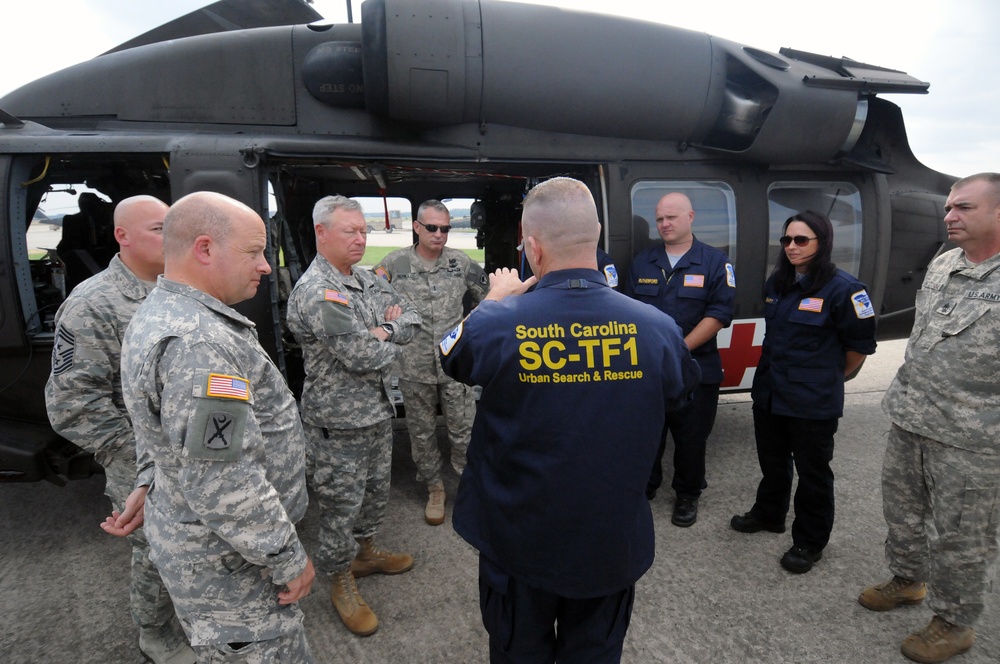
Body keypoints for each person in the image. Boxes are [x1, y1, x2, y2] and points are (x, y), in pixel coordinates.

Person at [440, 177, 700, 663]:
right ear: (596, 234)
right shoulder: (659, 328)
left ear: (531, 247)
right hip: (609, 544)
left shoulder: (498, 323)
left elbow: (450, 354)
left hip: (520, 544)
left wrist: (496, 297)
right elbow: (681, 397)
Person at [116, 192, 315, 662]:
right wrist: (287, 557)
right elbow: (224, 479)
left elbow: (160, 424)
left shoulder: (163, 312)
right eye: (253, 251)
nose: (266, 266)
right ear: (204, 249)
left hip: (214, 543)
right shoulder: (199, 342)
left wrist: (151, 476)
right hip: (229, 562)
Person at [44, 195, 196, 664]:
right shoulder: (94, 304)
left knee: (194, 546)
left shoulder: (184, 289)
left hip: (195, 452)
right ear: (122, 237)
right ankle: (156, 635)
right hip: (141, 459)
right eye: (157, 229)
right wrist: (134, 456)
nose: (169, 238)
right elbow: (71, 402)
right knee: (156, 553)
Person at [858, 173, 1000, 664]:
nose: (949, 217)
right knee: (903, 514)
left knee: (962, 535)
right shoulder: (943, 264)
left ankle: (954, 622)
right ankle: (907, 580)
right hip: (911, 418)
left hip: (972, 438)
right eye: (947, 208)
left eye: (963, 208)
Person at [286, 195, 420, 637]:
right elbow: (361, 355)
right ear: (321, 233)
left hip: (378, 412)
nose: (361, 239)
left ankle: (366, 553)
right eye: (350, 231)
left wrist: (387, 328)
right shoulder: (316, 291)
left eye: (364, 231)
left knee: (375, 495)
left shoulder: (364, 278)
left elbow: (413, 318)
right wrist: (384, 331)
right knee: (340, 507)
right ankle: (339, 578)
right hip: (337, 423)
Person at [731, 210, 876, 574]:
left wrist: (826, 378)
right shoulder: (777, 283)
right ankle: (769, 514)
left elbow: (859, 347)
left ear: (822, 242)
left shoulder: (846, 289)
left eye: (801, 240)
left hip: (812, 401)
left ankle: (810, 542)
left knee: (813, 474)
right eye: (787, 240)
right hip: (770, 393)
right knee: (772, 461)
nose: (792, 247)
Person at [373, 200, 489, 525]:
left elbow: (489, 296)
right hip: (413, 366)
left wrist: (472, 329)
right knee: (421, 433)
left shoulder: (460, 262)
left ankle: (470, 488)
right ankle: (435, 488)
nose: (440, 235)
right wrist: (386, 315)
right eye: (433, 228)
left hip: (455, 366)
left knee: (464, 430)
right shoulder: (394, 263)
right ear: (417, 227)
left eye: (446, 228)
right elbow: (369, 295)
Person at [624, 192, 735, 527]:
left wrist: (677, 349)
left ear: (690, 217)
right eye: (659, 219)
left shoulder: (715, 262)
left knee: (691, 438)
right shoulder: (644, 261)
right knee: (648, 433)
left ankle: (687, 495)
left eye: (671, 217)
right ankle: (647, 485)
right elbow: (630, 312)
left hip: (697, 368)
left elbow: (718, 314)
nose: (664, 224)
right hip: (650, 369)